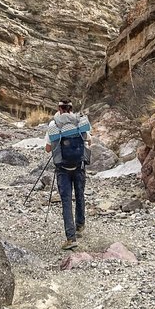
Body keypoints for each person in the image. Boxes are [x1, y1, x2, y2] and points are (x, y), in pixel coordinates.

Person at [44, 100, 91, 249]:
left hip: (62, 168)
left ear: (59, 108)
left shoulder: (53, 124)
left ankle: (70, 239)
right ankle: (80, 225)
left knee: (66, 201)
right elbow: (88, 140)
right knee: (79, 195)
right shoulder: (79, 121)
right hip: (79, 165)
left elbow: (47, 148)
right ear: (71, 108)